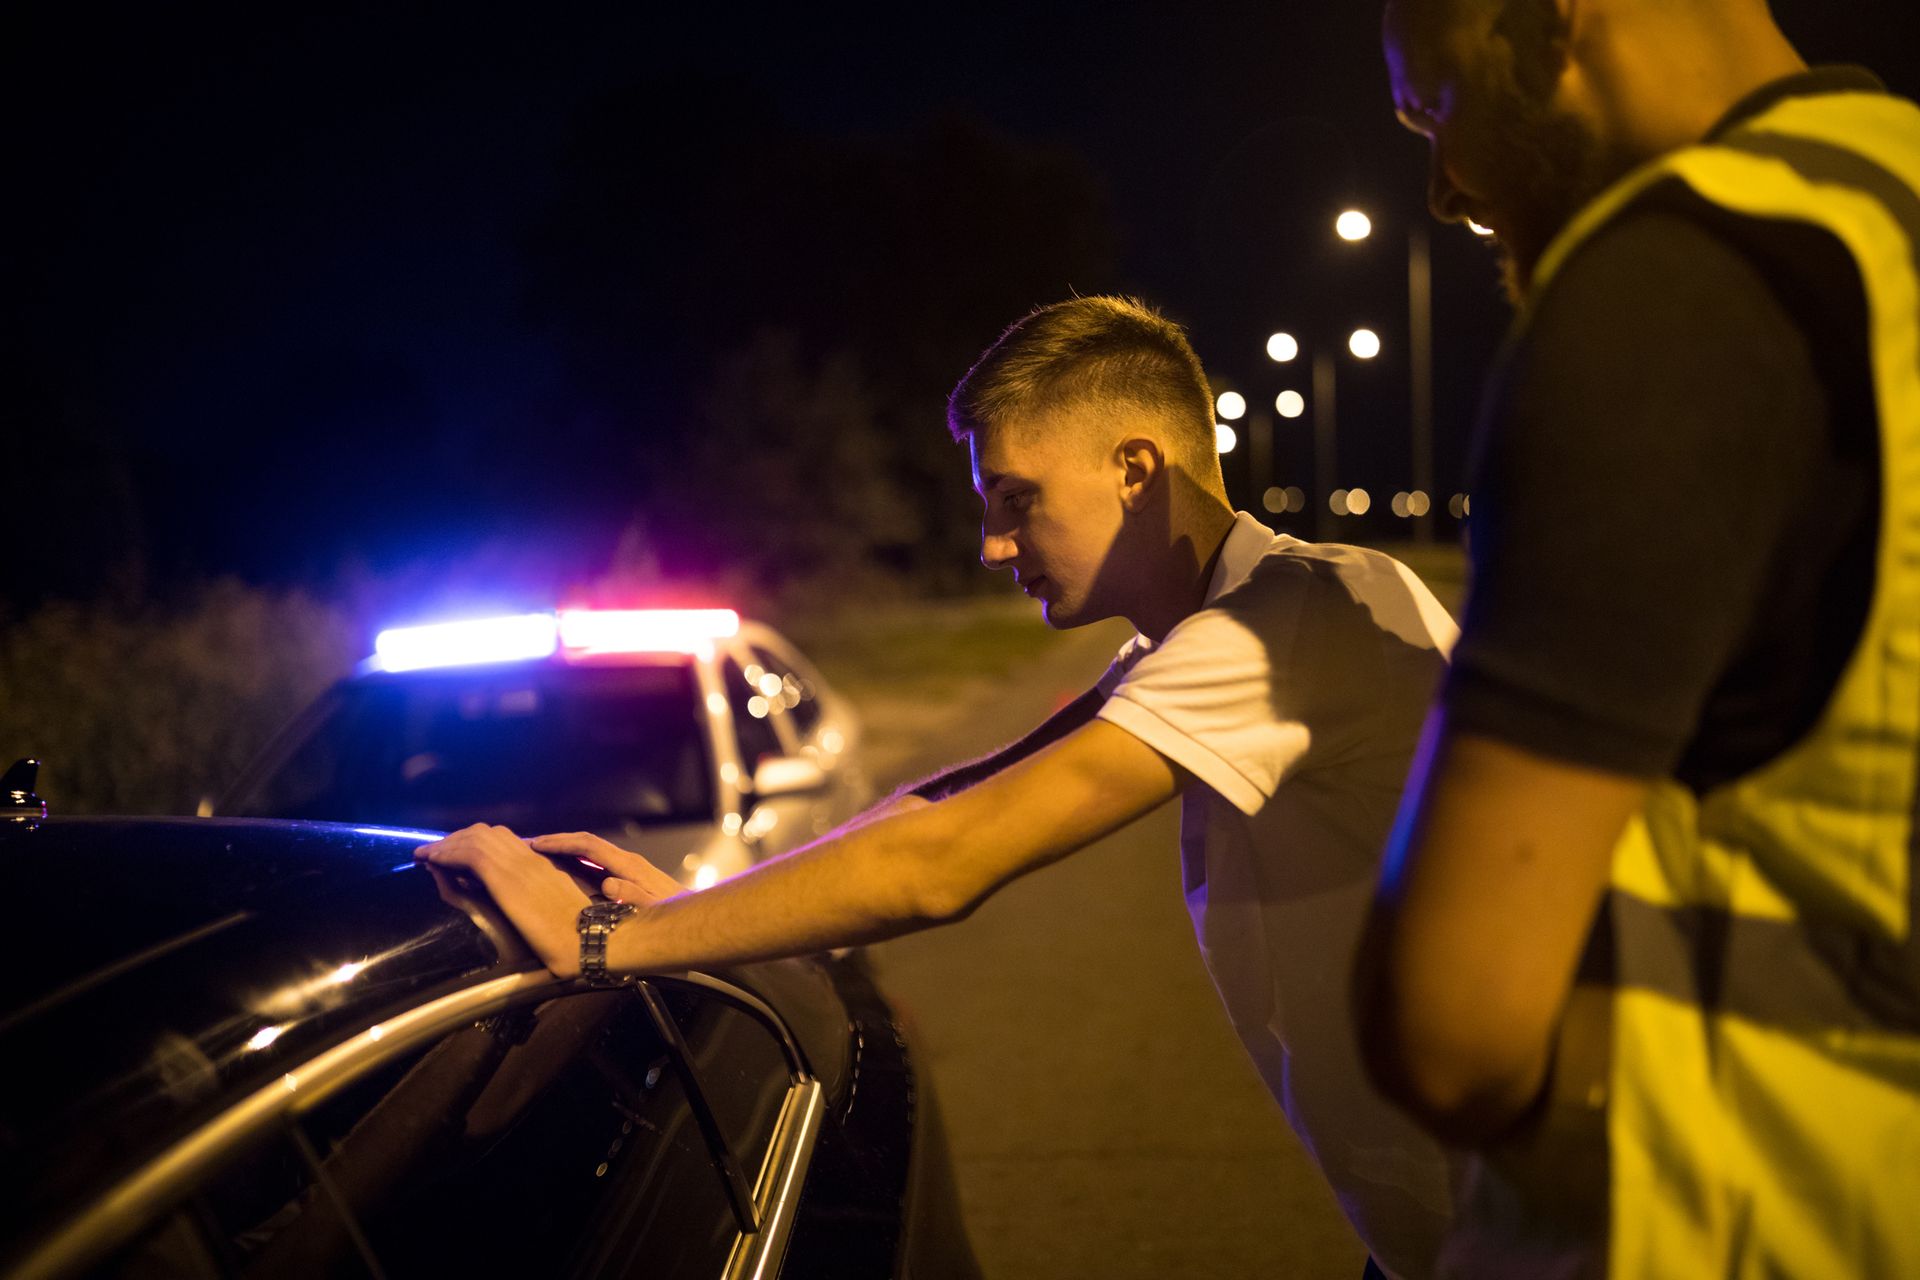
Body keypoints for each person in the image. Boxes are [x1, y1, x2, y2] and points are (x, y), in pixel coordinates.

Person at [420, 296, 1462, 1278]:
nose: (993, 543)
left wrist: (604, 941)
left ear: (1137, 467)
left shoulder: (1291, 618)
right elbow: (951, 797)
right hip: (1431, 1232)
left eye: (1018, 498)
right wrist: (688, 909)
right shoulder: (1205, 633)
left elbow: (945, 862)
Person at [1356, 0, 1920, 1275]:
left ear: (1550, 21)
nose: (1443, 191)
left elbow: (1451, 1032)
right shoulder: (1892, 217)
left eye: (1435, 109)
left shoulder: (1681, 284)